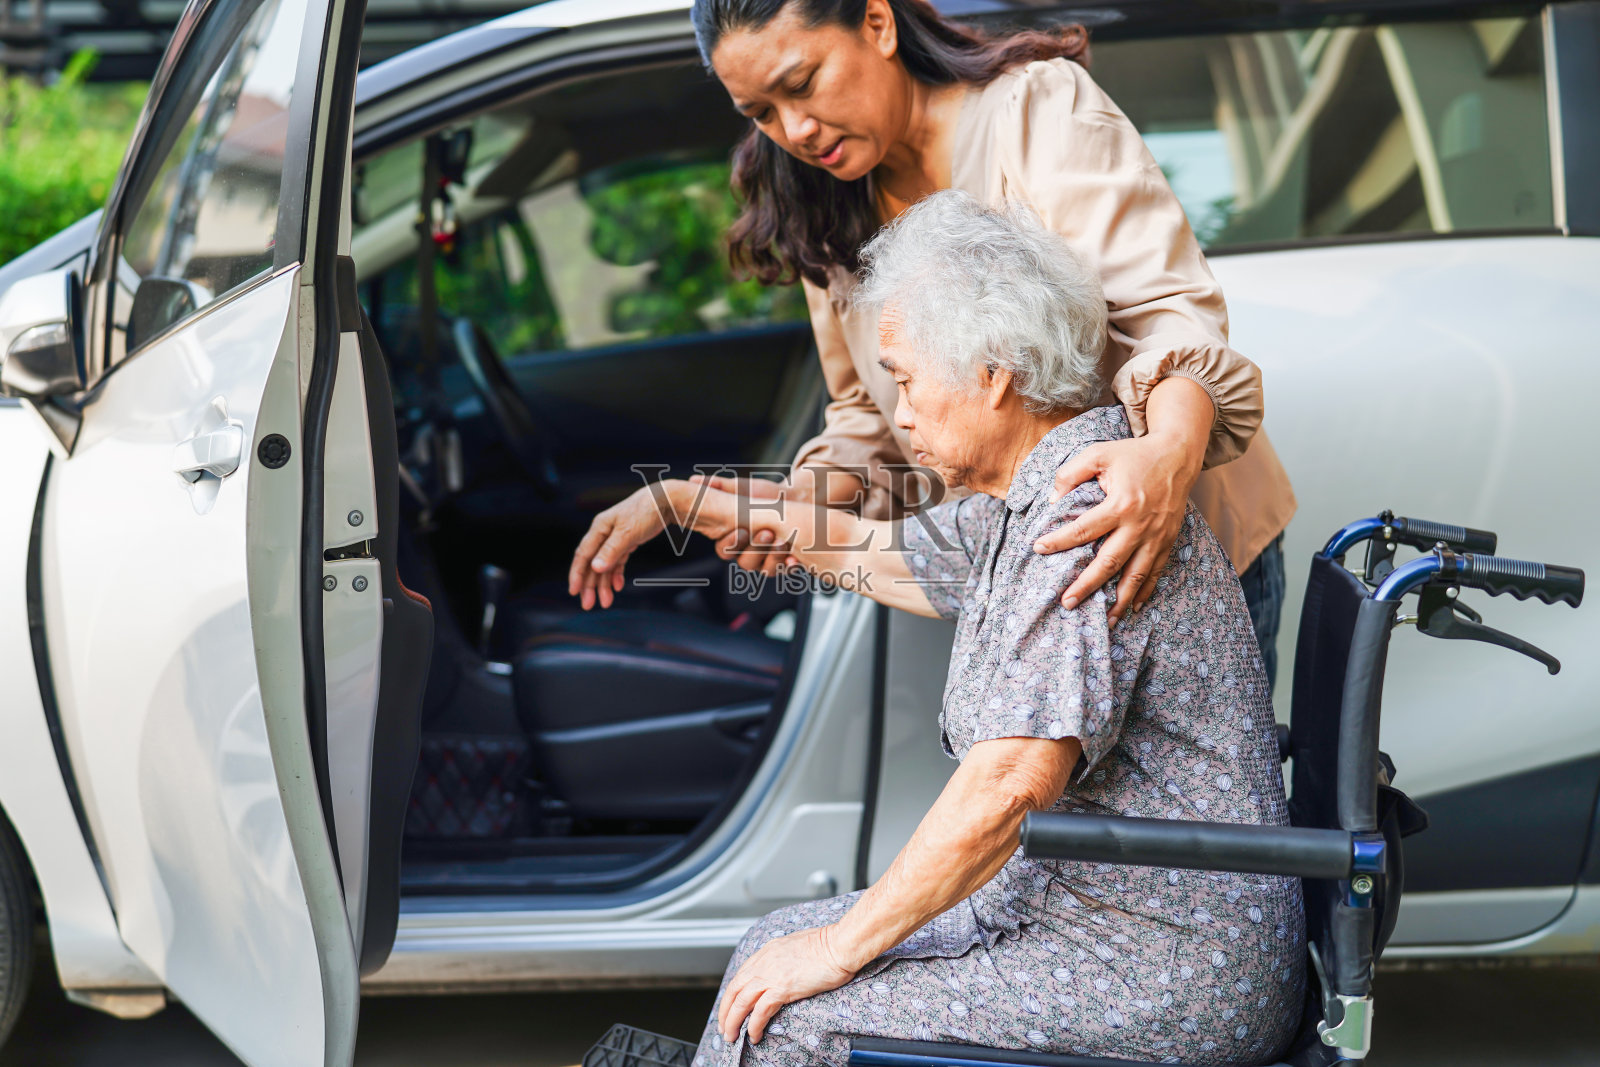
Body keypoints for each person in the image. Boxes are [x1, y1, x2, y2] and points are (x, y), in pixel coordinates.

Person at [570, 192, 1305, 1066]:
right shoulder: (1025, 495)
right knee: (775, 941)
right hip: (1098, 915)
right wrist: (687, 500)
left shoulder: (1078, 517)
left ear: (993, 371)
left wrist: (844, 946)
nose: (898, 408)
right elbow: (866, 545)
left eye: (907, 376)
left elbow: (1010, 782)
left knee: (794, 1017)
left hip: (1164, 965)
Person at [686, 0, 1296, 683]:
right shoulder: (825, 202)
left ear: (878, 24)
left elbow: (1164, 313)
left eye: (802, 84)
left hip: (1171, 544)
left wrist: (1165, 456)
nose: (794, 129)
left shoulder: (1033, 111)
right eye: (760, 113)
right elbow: (867, 408)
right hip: (1034, 582)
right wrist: (808, 498)